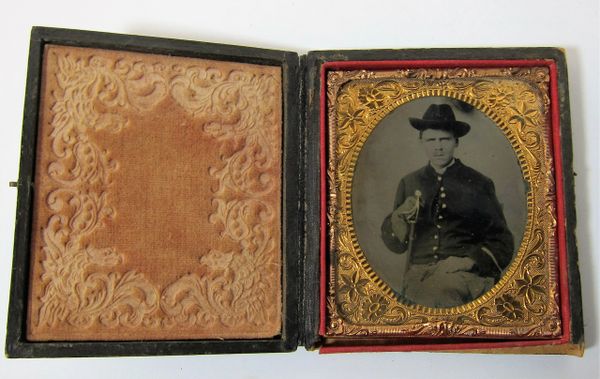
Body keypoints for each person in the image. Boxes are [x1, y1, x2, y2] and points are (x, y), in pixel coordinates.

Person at [380, 103, 514, 308]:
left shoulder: (478, 183)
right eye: (431, 140)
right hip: (418, 275)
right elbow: (398, 246)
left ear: (456, 142)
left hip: (462, 274)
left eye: (444, 139)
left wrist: (468, 261)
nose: (438, 147)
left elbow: (502, 242)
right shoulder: (410, 182)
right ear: (421, 142)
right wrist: (399, 218)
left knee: (437, 294)